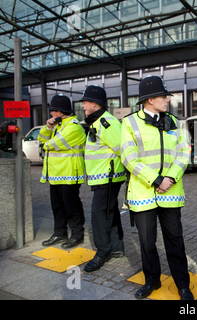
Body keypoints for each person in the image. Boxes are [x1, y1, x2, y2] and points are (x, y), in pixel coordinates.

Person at [121, 75, 193, 300]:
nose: (167, 100)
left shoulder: (174, 121)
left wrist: (169, 178)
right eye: (163, 96)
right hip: (143, 193)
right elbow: (129, 157)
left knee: (175, 240)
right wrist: (155, 179)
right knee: (147, 242)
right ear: (150, 99)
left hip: (170, 192)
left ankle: (183, 285)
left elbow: (184, 151)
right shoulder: (130, 122)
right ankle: (152, 280)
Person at [80, 85, 127, 272]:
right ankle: (116, 248)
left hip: (108, 177)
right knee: (110, 211)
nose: (83, 106)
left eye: (85, 102)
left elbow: (122, 149)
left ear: (94, 103)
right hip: (103, 177)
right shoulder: (97, 121)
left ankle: (102, 252)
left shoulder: (107, 122)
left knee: (99, 215)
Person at [38, 94, 86, 249]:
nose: (51, 114)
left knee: (72, 206)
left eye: (52, 111)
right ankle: (60, 233)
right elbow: (41, 139)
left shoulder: (73, 126)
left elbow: (49, 145)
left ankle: (77, 234)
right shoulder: (58, 125)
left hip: (69, 174)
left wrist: (46, 142)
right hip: (56, 174)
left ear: (59, 112)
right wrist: (48, 127)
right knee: (57, 206)